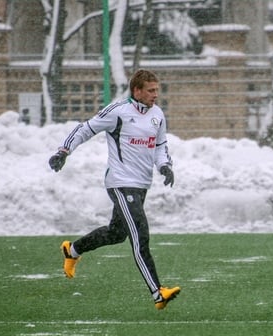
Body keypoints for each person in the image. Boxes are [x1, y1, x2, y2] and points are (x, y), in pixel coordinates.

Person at [48, 69, 180, 310]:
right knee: (141, 236)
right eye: (151, 91)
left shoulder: (157, 115)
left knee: (116, 234)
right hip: (120, 182)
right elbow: (86, 128)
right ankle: (158, 293)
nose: (155, 95)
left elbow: (160, 145)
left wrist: (164, 166)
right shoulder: (118, 112)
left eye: (157, 90)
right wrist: (63, 151)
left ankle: (73, 250)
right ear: (137, 91)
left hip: (141, 184)